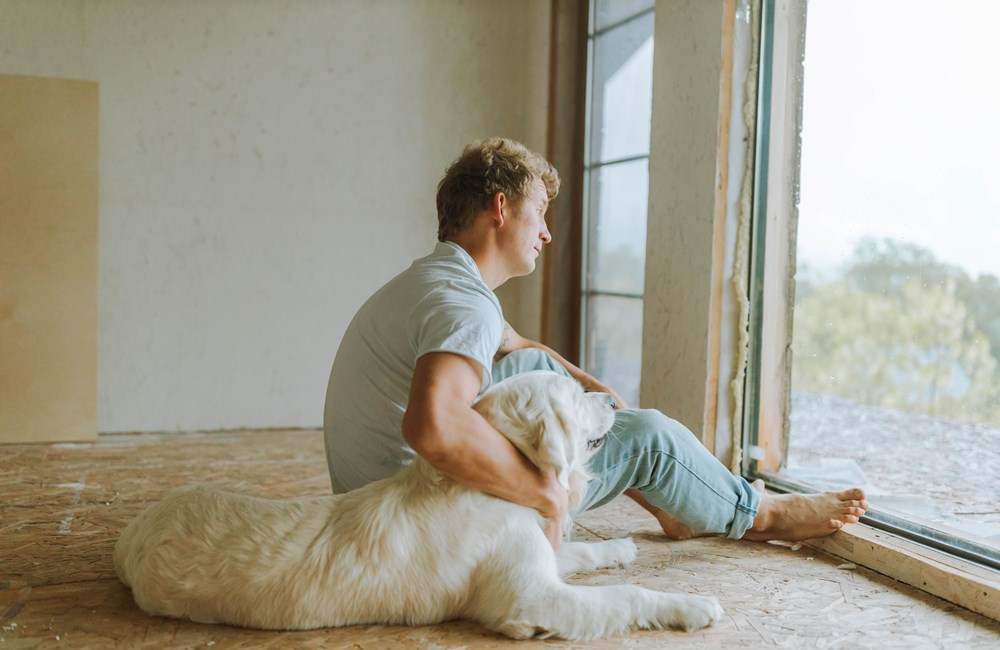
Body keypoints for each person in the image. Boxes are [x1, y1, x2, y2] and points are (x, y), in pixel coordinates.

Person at [323, 137, 868, 550]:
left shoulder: (437, 281)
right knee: (651, 439)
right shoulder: (465, 306)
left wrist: (593, 394)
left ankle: (675, 503)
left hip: (381, 502)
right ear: (500, 208)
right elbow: (433, 426)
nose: (547, 232)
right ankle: (762, 514)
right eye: (539, 212)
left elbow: (518, 347)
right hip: (422, 526)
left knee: (533, 367)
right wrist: (544, 494)